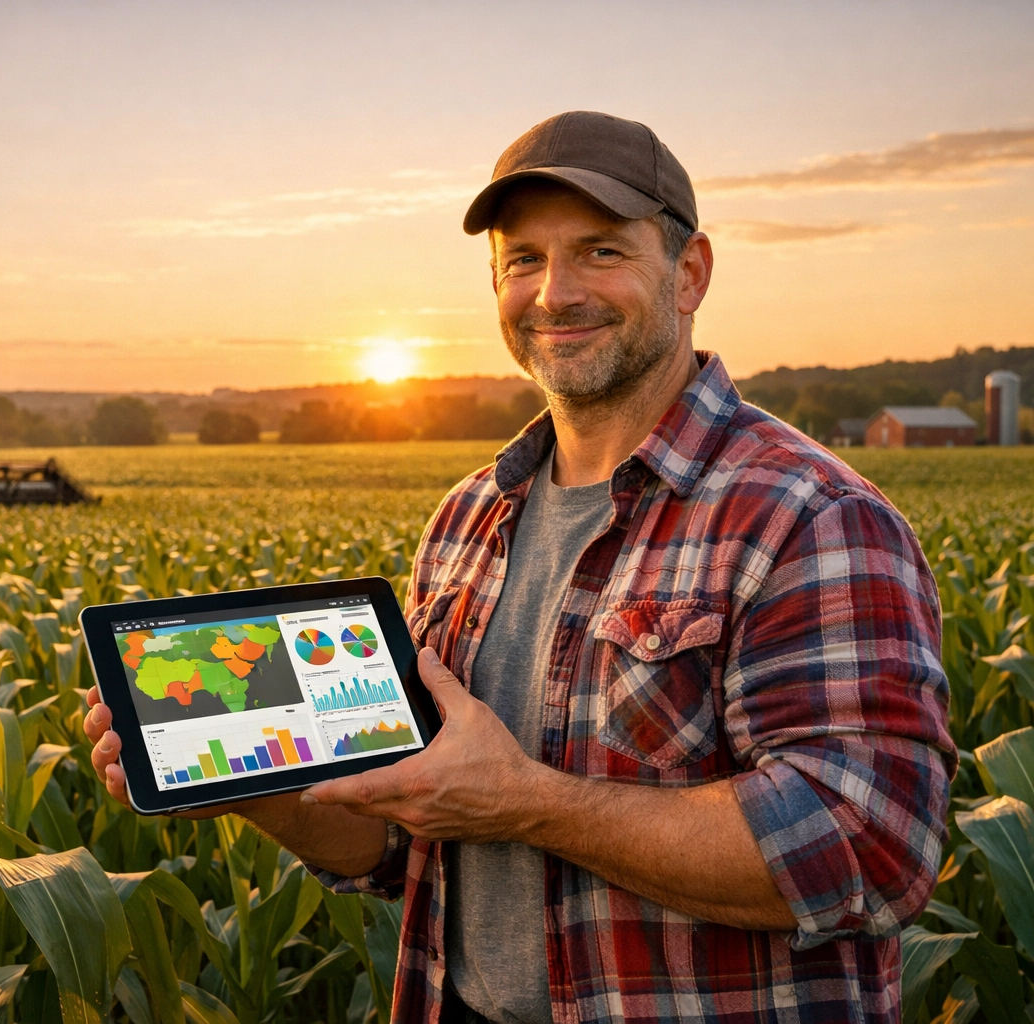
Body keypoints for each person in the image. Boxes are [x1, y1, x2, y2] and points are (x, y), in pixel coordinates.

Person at [85, 111, 954, 1024]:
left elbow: (869, 848)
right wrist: (249, 786)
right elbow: (398, 846)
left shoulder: (805, 517)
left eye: (600, 252)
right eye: (522, 262)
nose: (554, 293)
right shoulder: (469, 518)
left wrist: (527, 804)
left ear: (689, 273)